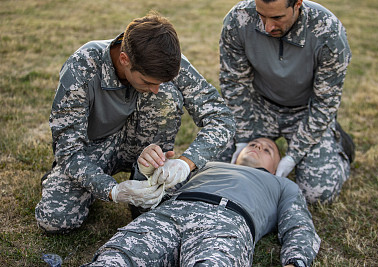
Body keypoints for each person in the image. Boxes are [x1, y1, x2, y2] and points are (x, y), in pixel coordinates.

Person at [35, 12, 235, 234]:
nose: (155, 88)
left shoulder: (166, 62)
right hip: (93, 150)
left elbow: (222, 118)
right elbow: (68, 149)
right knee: (55, 220)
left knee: (167, 96)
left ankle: (148, 182)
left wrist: (186, 163)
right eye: (148, 82)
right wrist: (111, 190)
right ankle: (65, 180)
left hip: (148, 153)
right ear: (124, 59)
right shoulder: (82, 67)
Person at [82, 138, 320, 267]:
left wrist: (295, 262)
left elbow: (299, 226)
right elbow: (149, 198)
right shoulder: (203, 164)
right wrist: (147, 169)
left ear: (276, 167)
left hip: (227, 221)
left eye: (268, 150)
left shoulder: (282, 185)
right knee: (116, 258)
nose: (258, 147)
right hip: (172, 211)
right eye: (253, 144)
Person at [219, 0, 355, 204]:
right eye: (261, 15)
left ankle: (340, 146)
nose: (267, 27)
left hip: (304, 111)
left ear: (297, 4)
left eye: (277, 18)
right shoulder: (238, 19)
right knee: (216, 165)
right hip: (259, 106)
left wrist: (293, 156)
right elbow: (234, 83)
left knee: (317, 194)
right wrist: (243, 138)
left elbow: (325, 103)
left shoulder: (328, 32)